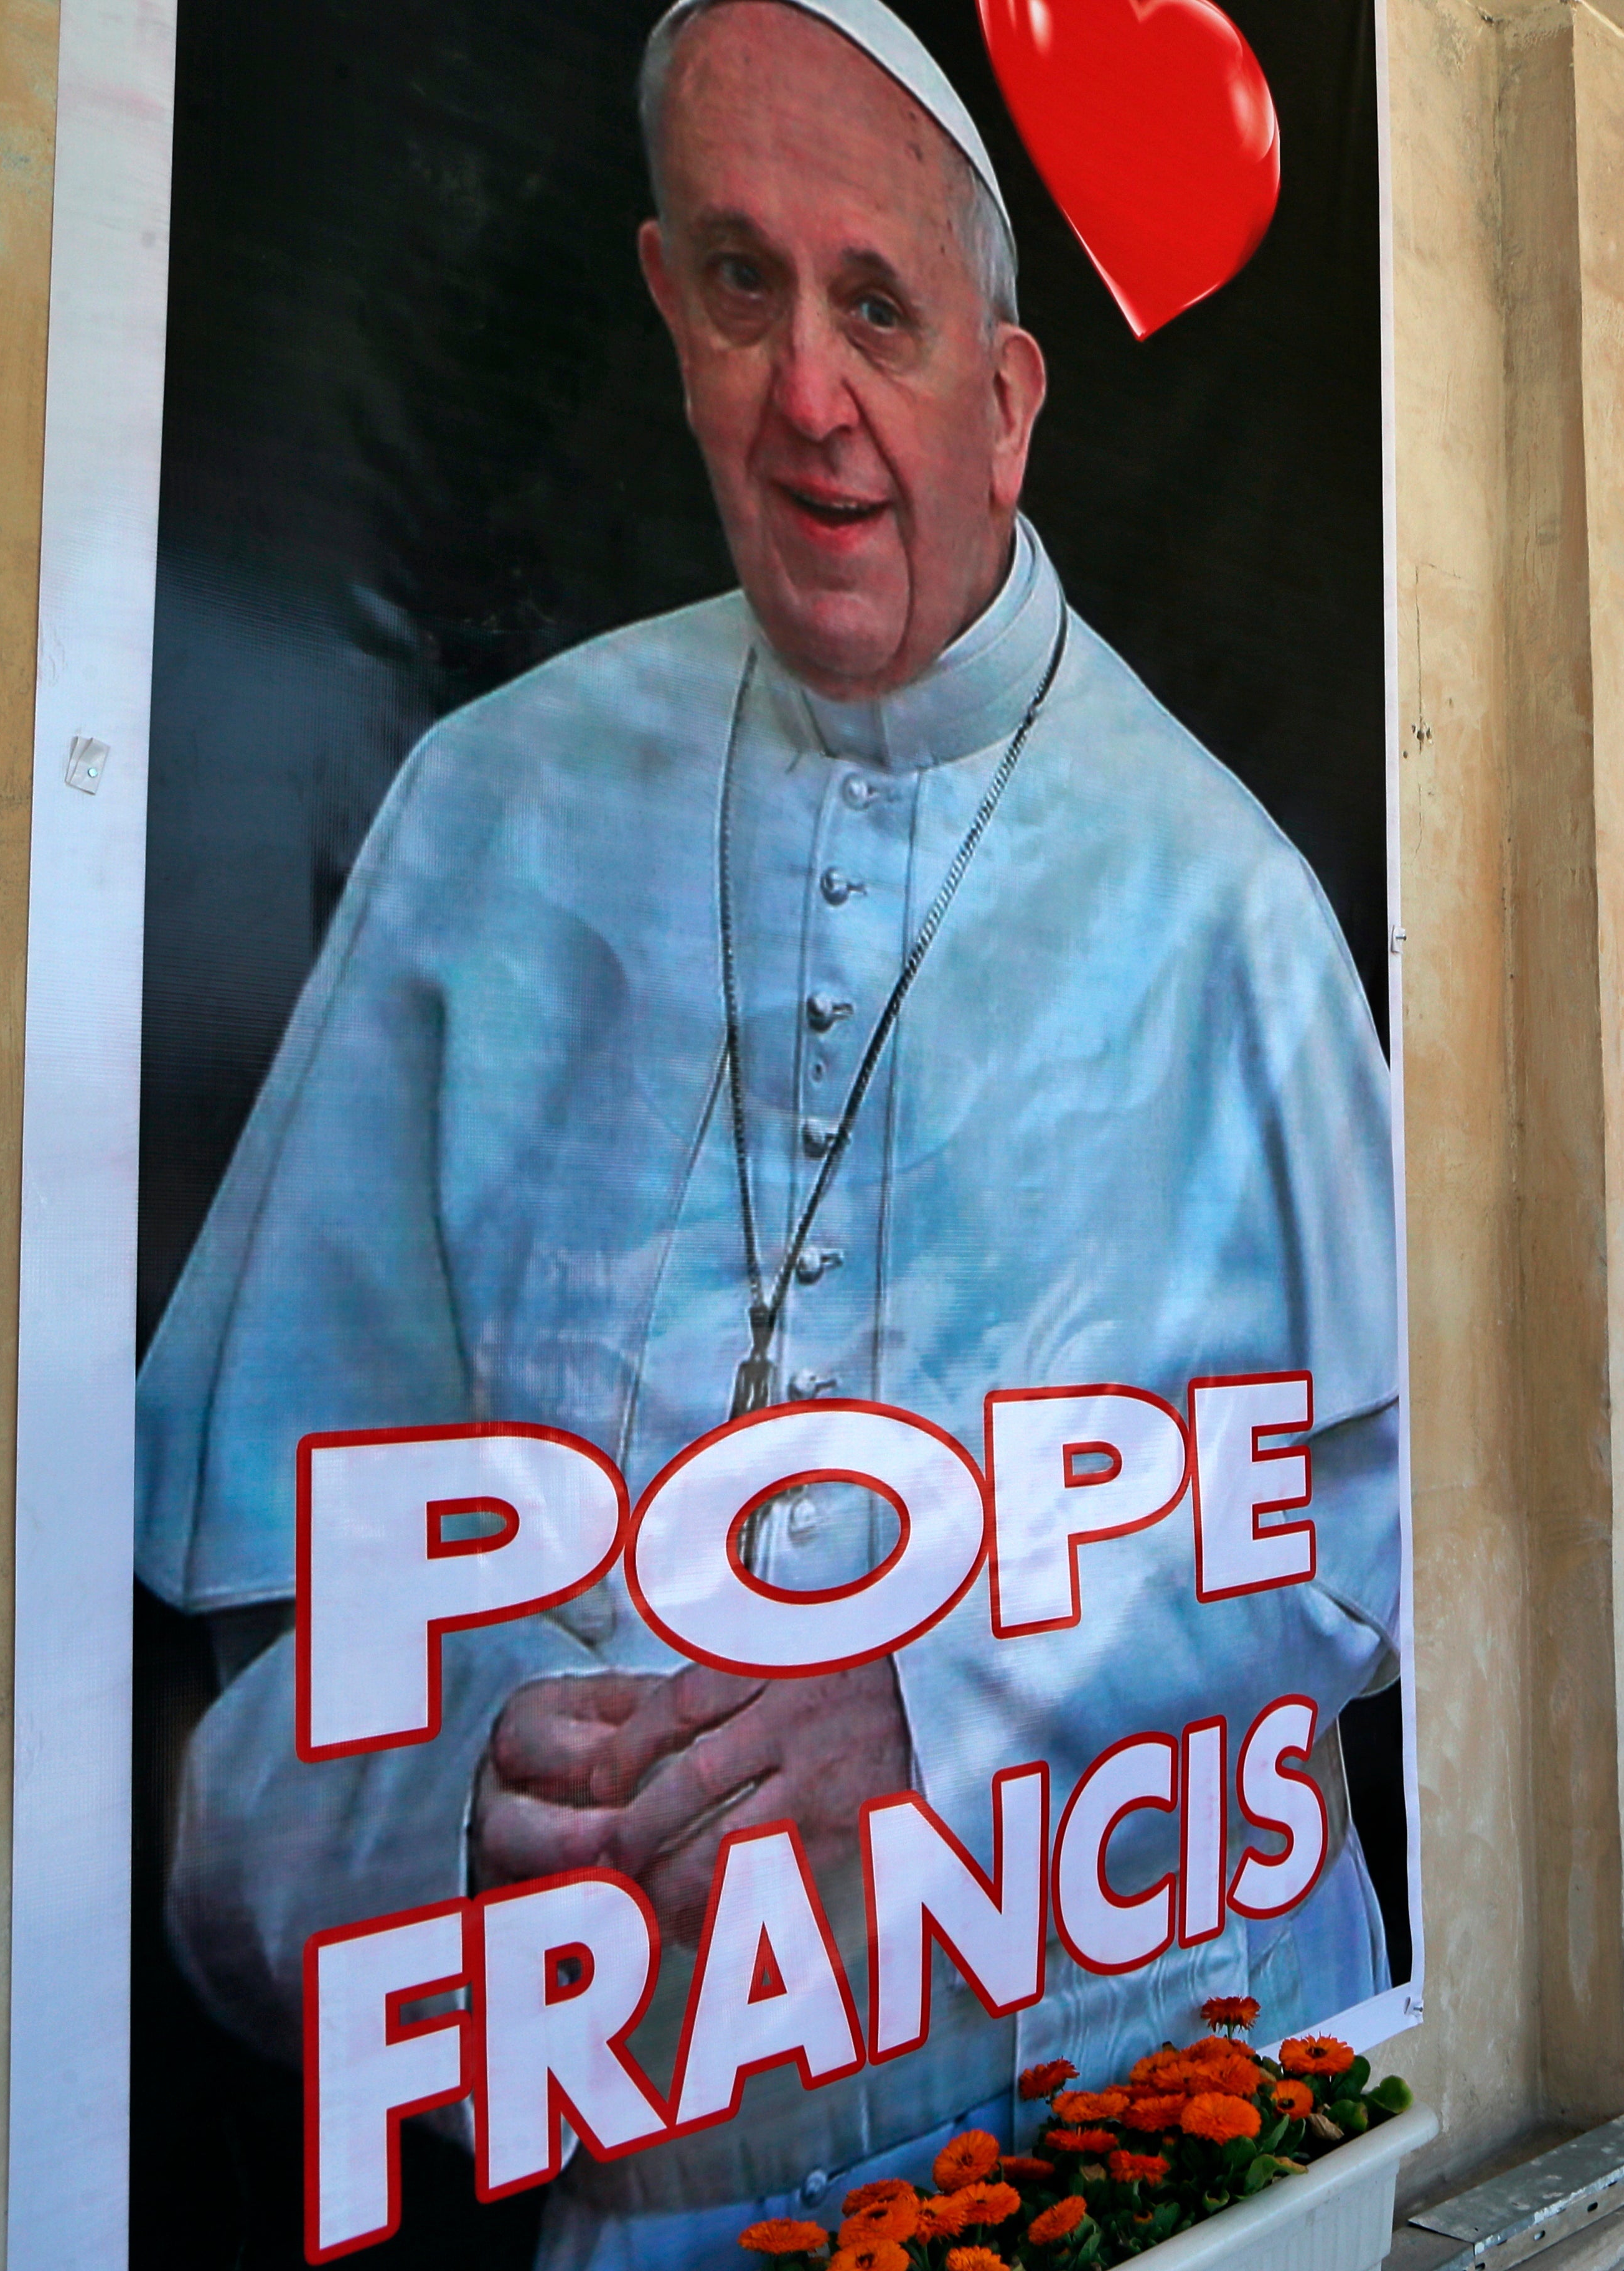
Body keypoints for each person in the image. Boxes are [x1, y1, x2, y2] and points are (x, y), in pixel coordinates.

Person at [134, 1, 1402, 2260]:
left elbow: (1380, 1539)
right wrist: (456, 1813)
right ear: (664, 303)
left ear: (1007, 405)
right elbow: (253, 1654)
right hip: (651, 2197)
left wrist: (945, 1692)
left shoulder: (1218, 902)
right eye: (743, 284)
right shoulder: (486, 814)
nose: (807, 394)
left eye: (879, 308)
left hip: (1147, 2159)